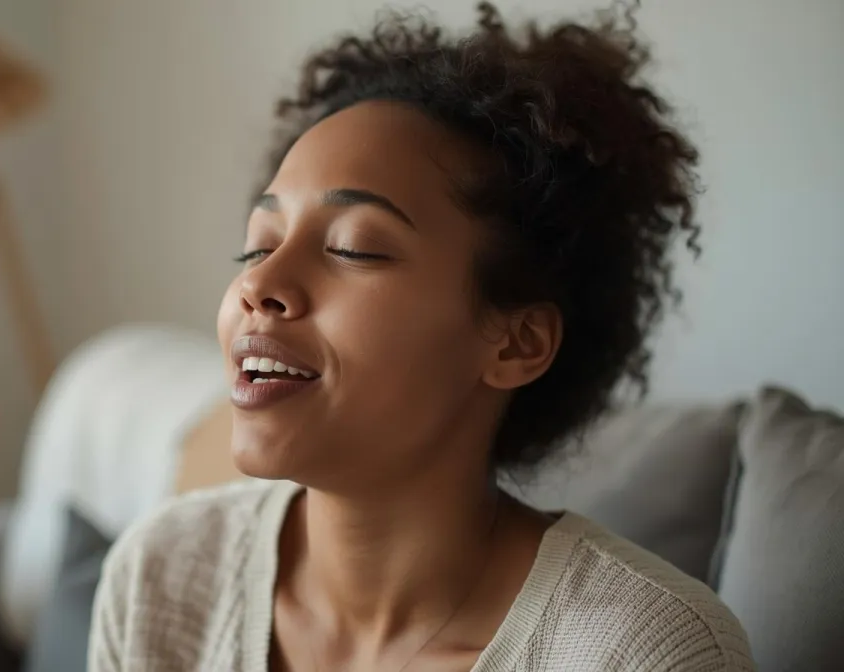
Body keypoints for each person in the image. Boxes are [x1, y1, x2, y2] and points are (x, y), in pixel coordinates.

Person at [88, 3, 756, 670]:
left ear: (515, 343)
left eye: (353, 249)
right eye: (257, 247)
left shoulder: (645, 653)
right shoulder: (160, 579)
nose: (258, 286)